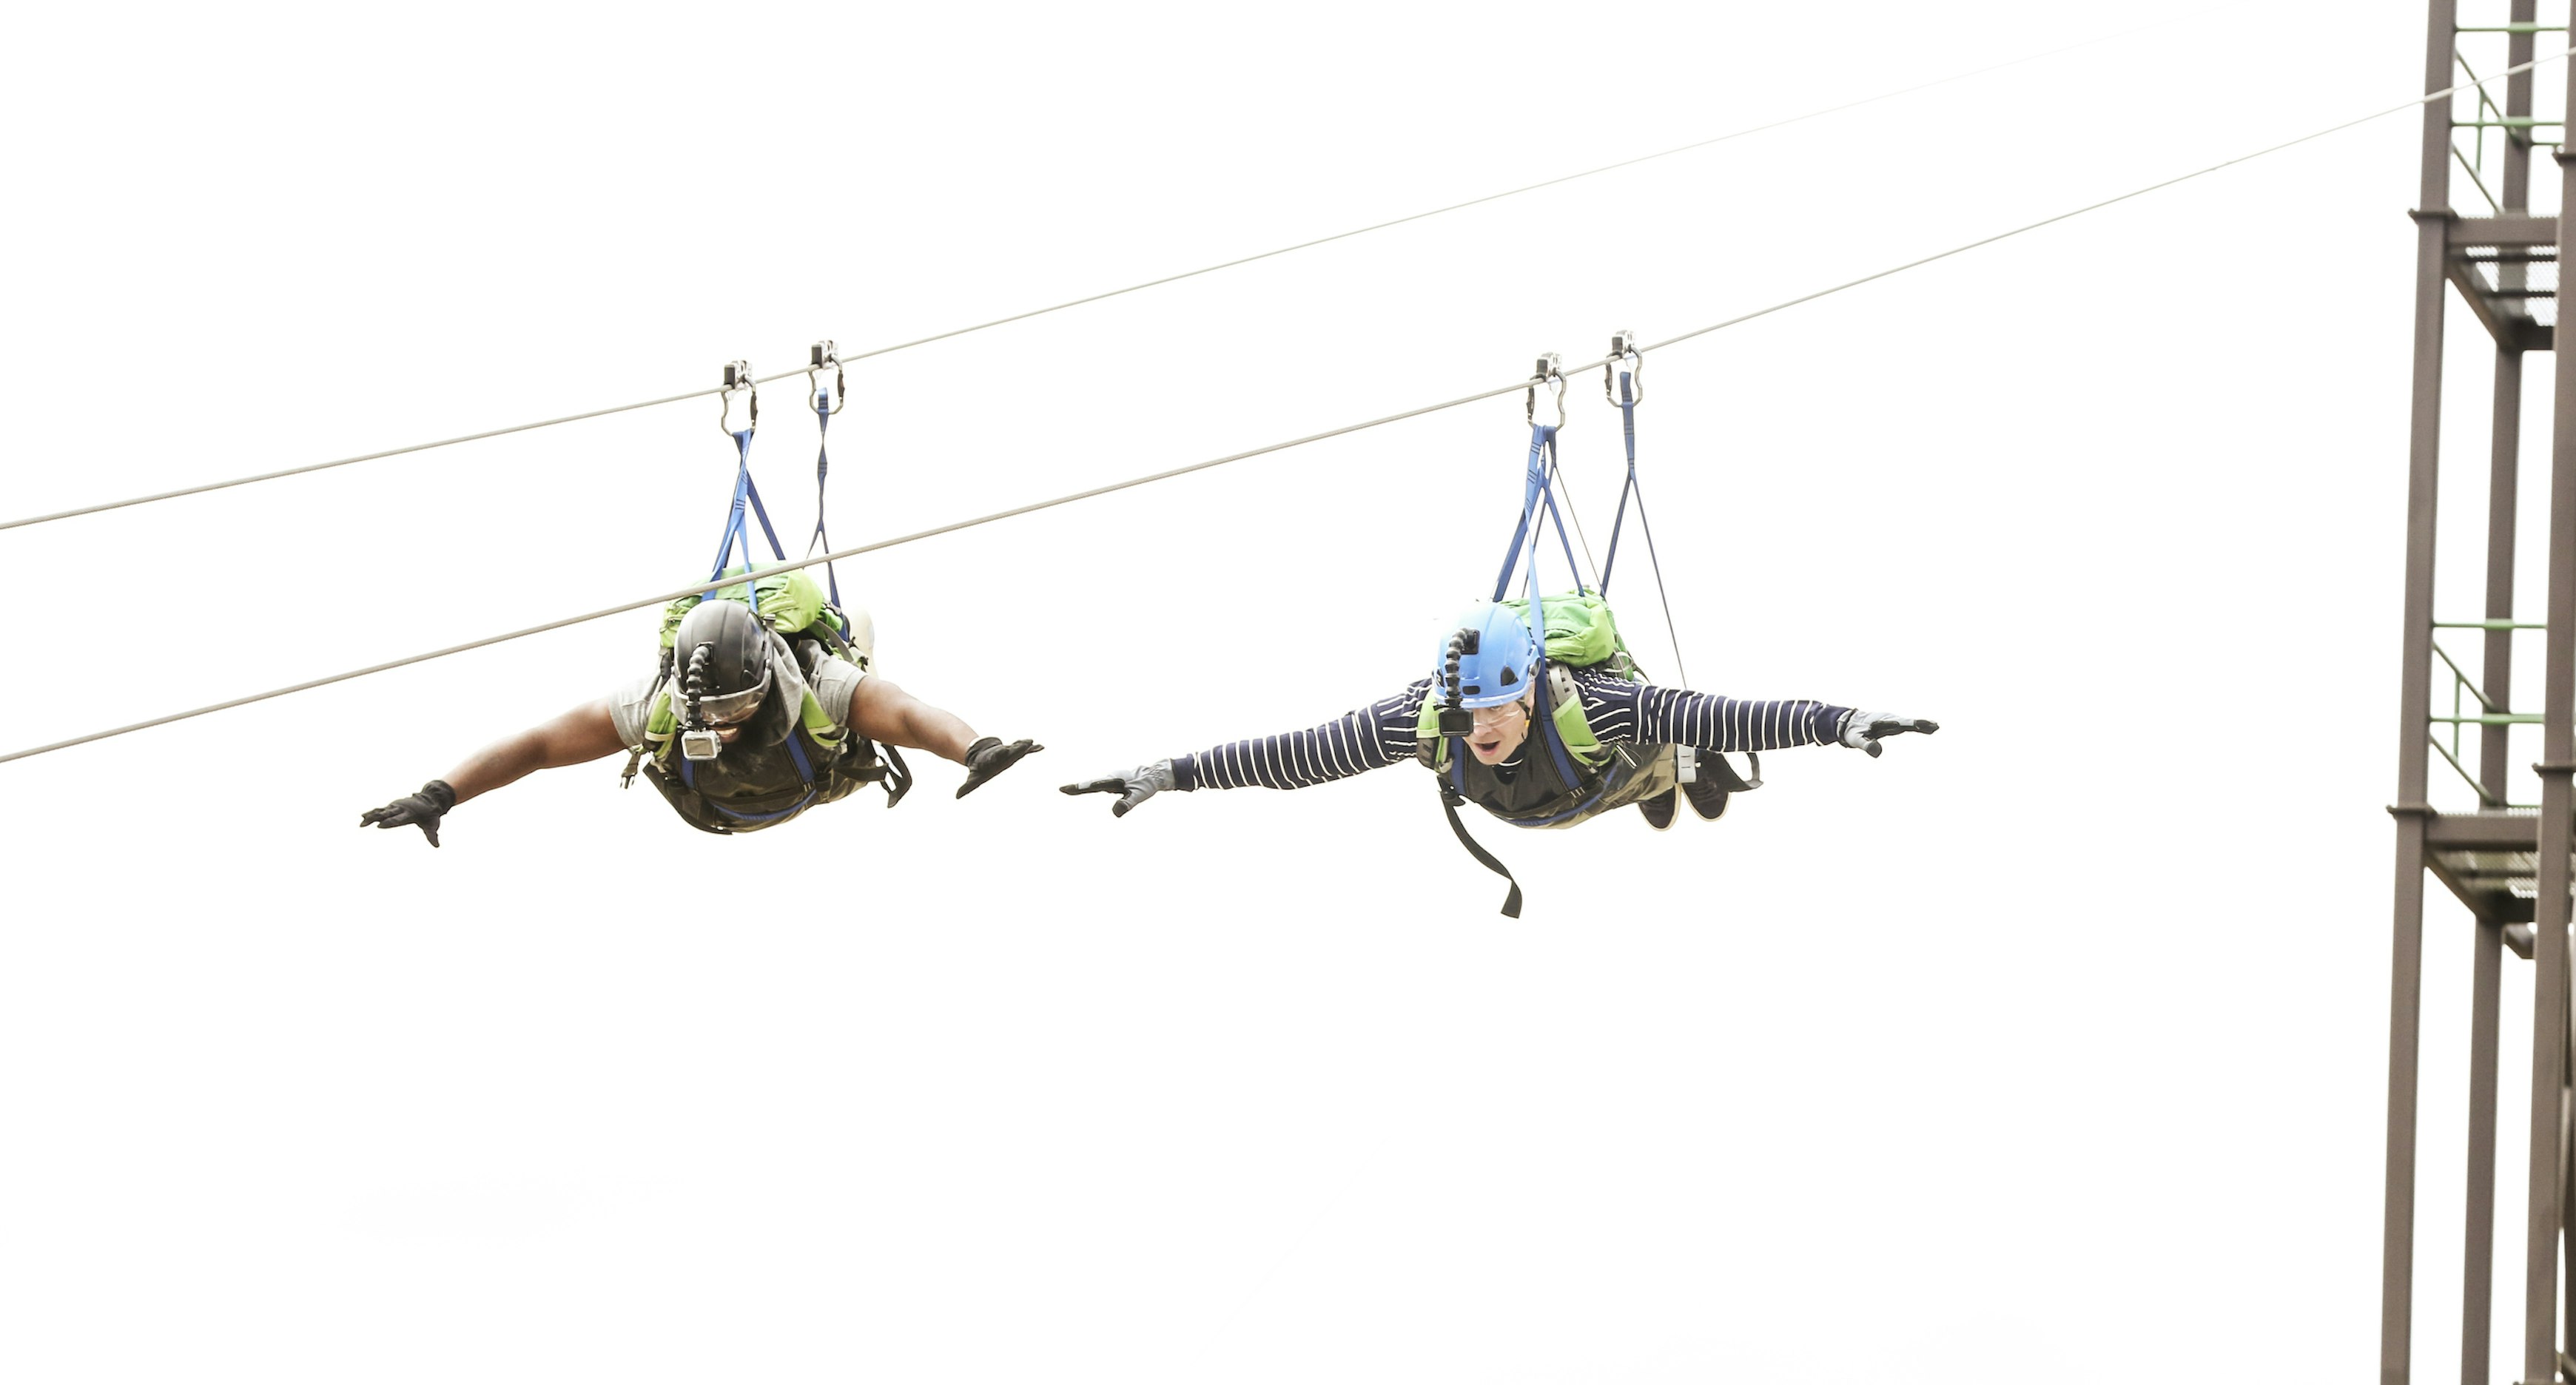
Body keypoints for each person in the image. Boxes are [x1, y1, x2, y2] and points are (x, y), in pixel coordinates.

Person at [1060, 597, 1931, 835]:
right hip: (1533, 808)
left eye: (1496, 710)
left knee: (1669, 736)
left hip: (1605, 766)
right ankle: (1666, 780)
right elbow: (1299, 753)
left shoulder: (1585, 701)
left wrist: (1836, 720)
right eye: (1468, 710)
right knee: (1588, 774)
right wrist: (1169, 773)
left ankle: (1683, 770)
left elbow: (1718, 706)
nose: (1479, 726)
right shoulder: (1426, 719)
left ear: (1528, 690)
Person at [359, 570, 1038, 844]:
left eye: (741, 704)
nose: (724, 720)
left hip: (817, 780)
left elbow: (913, 715)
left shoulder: (816, 682)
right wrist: (441, 793)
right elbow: (539, 745)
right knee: (636, 730)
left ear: (767, 678)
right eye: (710, 708)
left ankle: (853, 637)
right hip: (714, 807)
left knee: (862, 665)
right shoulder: (658, 704)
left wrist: (973, 748)